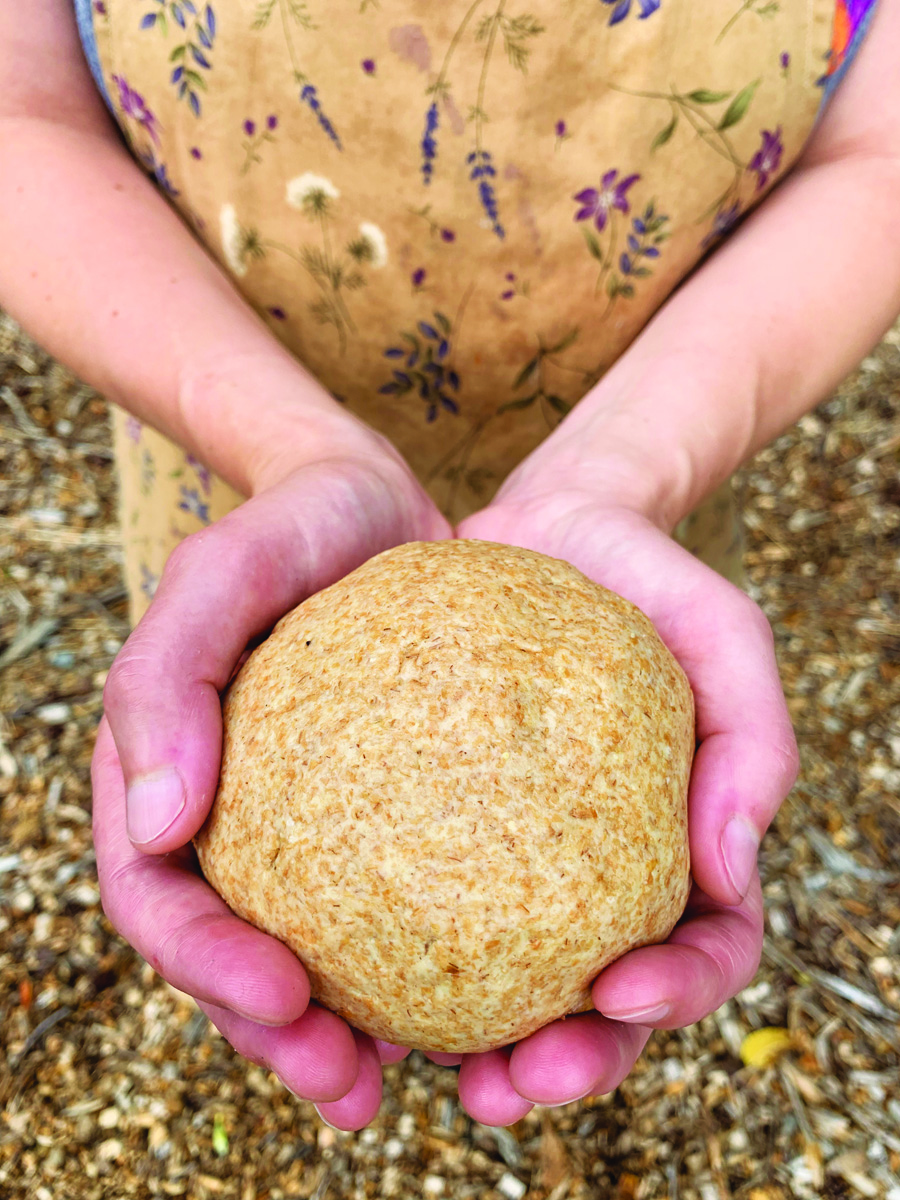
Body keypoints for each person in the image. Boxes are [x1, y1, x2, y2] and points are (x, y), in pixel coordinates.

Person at [0, 0, 896, 1132]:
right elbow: (20, 111)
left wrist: (633, 463)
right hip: (251, 489)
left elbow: (882, 147)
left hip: (650, 470)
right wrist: (295, 450)